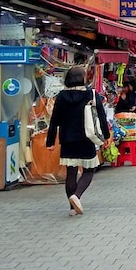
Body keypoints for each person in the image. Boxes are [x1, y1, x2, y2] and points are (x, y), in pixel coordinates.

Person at [46, 66, 110, 214]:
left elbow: (54, 120)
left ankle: (72, 208)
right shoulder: (92, 94)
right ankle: (77, 196)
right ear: (83, 78)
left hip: (67, 139)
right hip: (86, 137)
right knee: (89, 170)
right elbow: (101, 116)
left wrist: (50, 142)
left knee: (71, 172)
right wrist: (106, 137)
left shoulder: (61, 96)